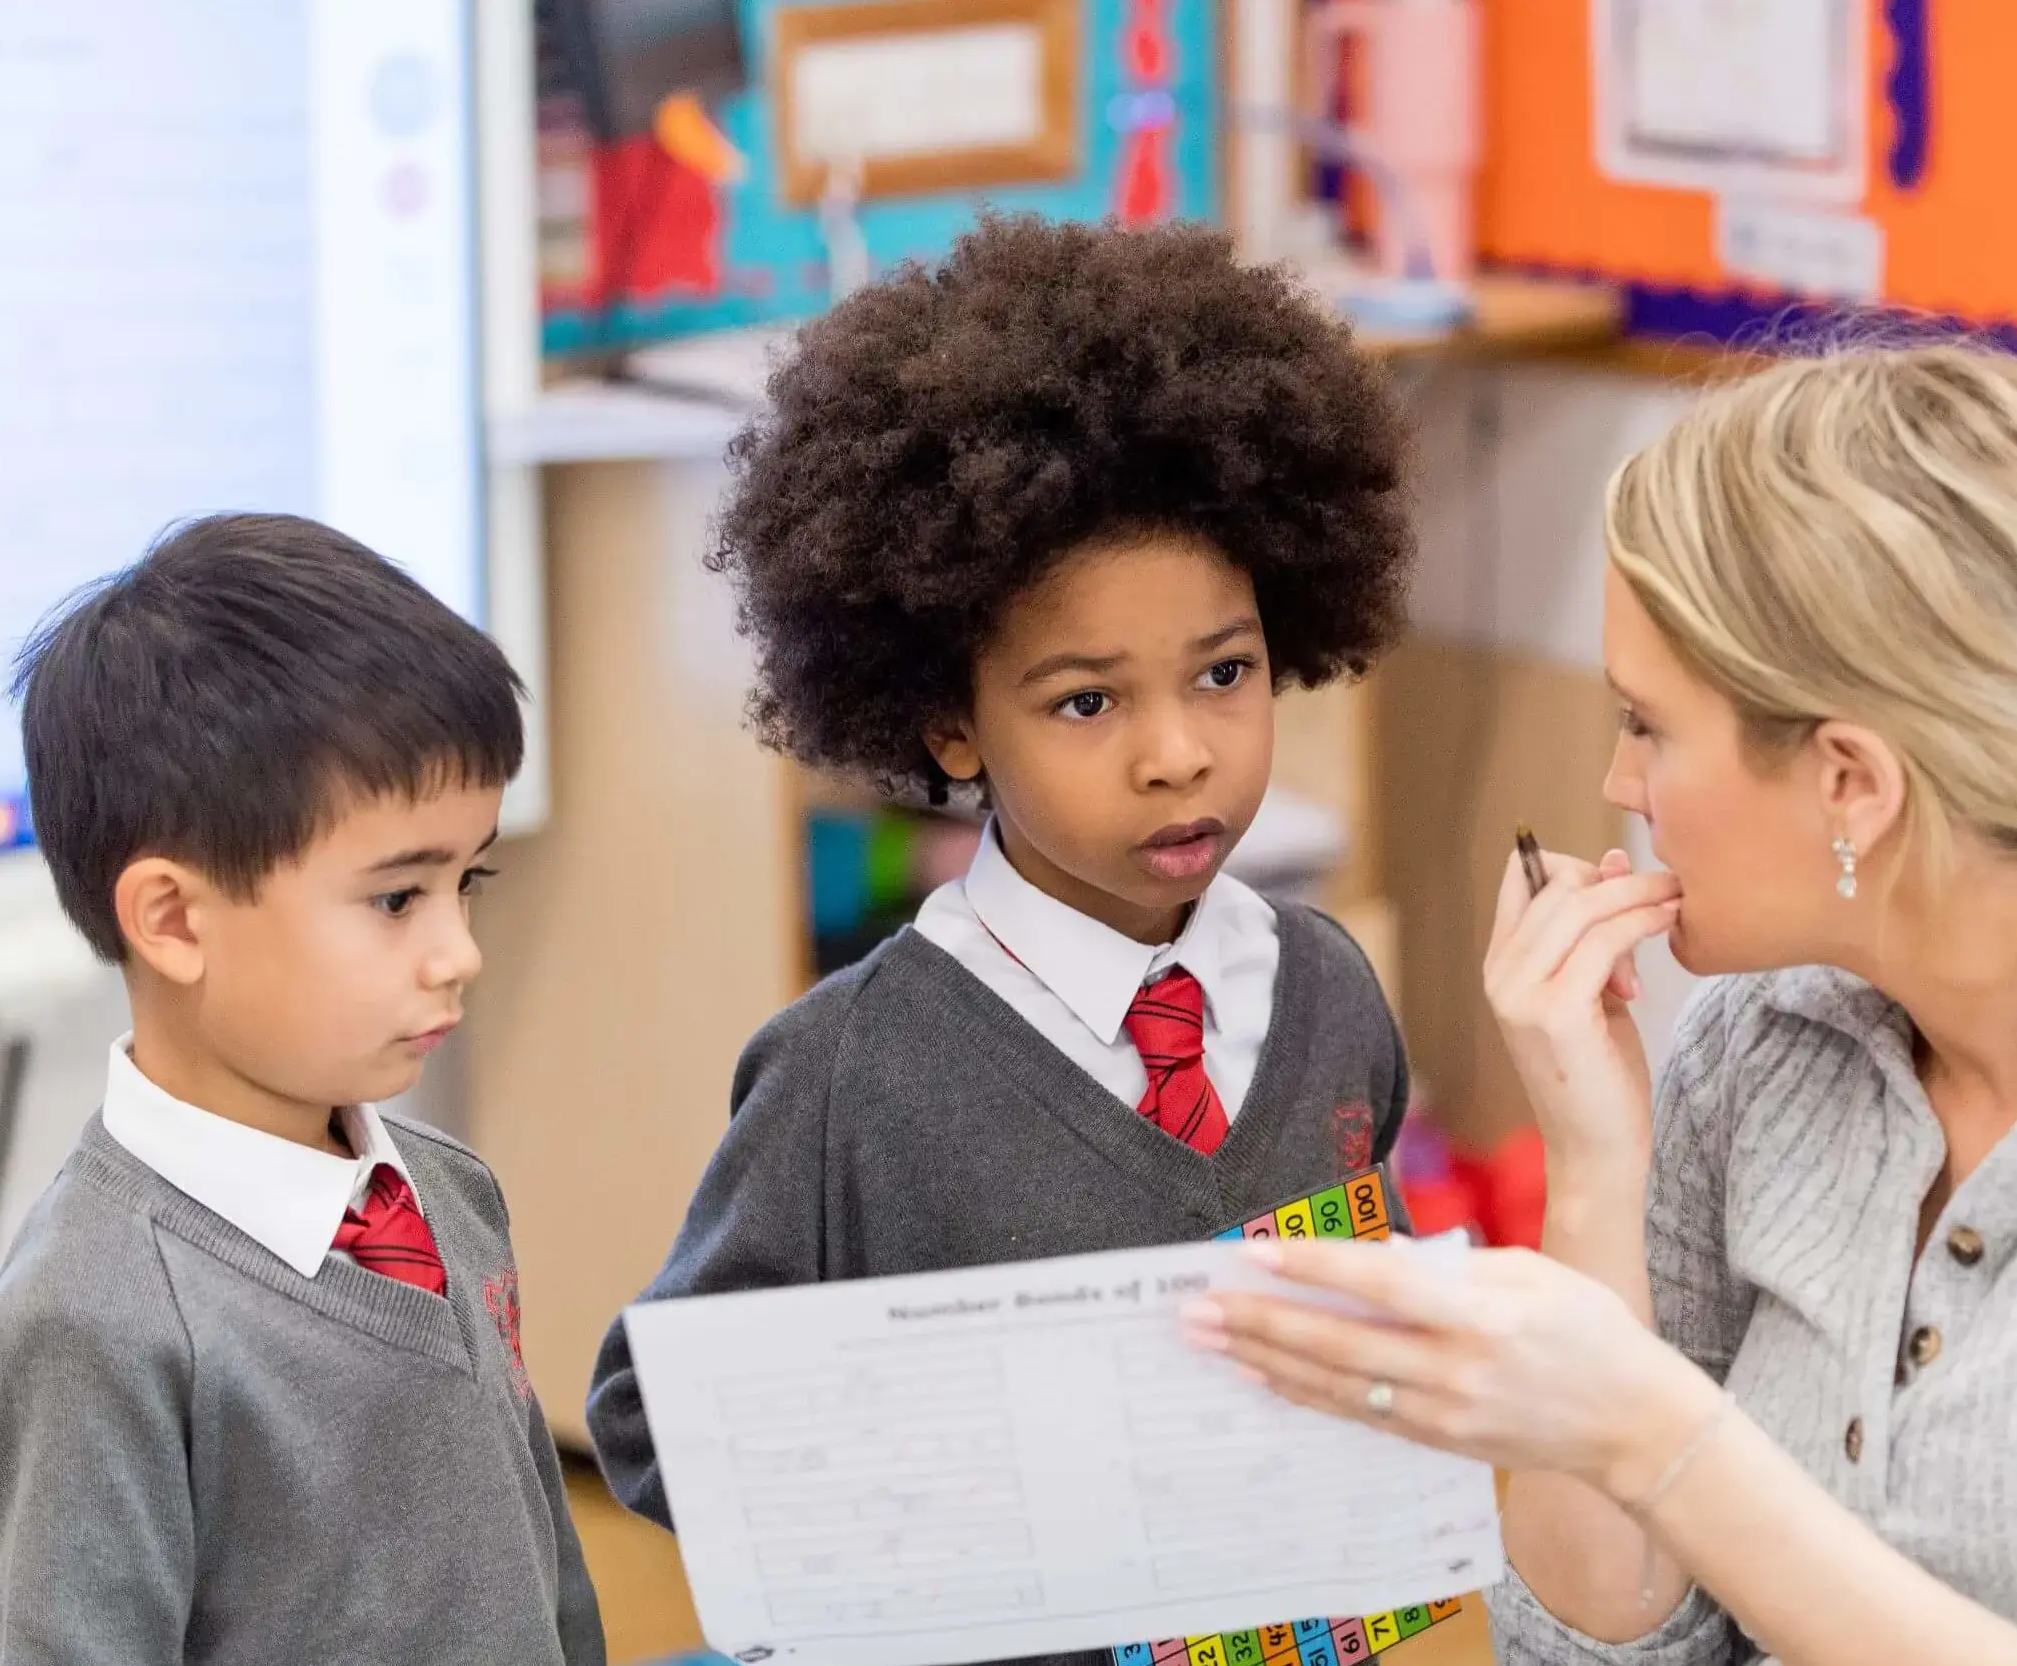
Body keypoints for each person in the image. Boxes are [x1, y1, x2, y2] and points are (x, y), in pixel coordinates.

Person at [1185, 343, 2017, 1665]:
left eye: (1648, 724)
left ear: (1852, 783)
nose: (1620, 780)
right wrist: (1598, 1164)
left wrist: (1653, 1431)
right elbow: (1590, 1654)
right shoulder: (1772, 1036)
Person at [584, 215, 1419, 1577]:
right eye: (1087, 701)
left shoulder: (1326, 989)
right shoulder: (849, 1073)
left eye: (1225, 672)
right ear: (952, 725)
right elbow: (652, 1412)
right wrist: (955, 1462)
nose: (1179, 752)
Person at [0, 515, 605, 1666]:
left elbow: (539, 1574)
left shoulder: (447, 1195)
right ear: (175, 920)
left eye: (465, 880)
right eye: (396, 899)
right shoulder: (92, 1327)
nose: (459, 950)